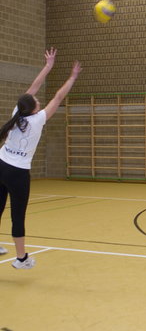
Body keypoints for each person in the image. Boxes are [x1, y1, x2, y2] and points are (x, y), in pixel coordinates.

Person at [0, 48, 82, 269]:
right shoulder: (38, 120)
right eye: (36, 100)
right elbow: (58, 96)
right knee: (17, 216)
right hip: (17, 173)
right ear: (34, 107)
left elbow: (33, 89)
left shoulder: (17, 112)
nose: (37, 98)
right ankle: (21, 258)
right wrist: (72, 77)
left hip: (1, 164)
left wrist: (48, 67)